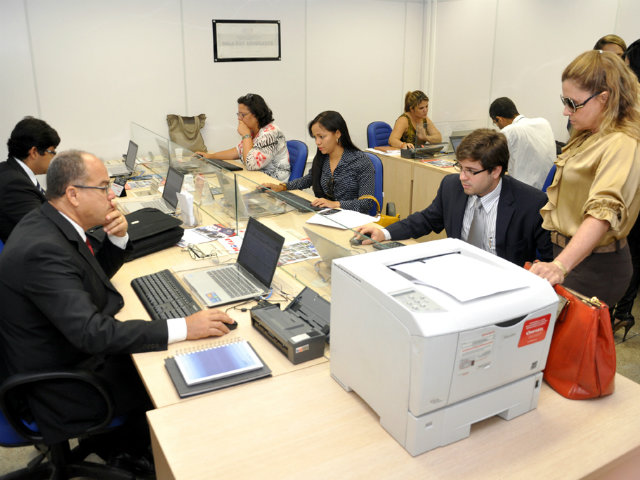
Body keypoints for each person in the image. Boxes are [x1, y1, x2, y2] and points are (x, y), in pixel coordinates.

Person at [0, 150, 235, 472]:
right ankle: (162, 461)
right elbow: (92, 333)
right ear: (73, 194)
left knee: (155, 353)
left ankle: (128, 444)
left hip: (57, 354)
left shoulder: (48, 222)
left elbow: (87, 279)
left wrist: (118, 239)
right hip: (57, 389)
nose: (112, 195)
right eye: (103, 187)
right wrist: (183, 326)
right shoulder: (44, 250)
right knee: (171, 374)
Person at [529, 50, 640, 316]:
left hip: (594, 265)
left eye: (573, 103)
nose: (566, 111)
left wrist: (560, 266)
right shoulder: (591, 133)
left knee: (567, 339)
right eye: (564, 101)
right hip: (570, 255)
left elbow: (602, 213)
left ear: (604, 98)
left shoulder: (621, 142)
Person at [355, 128, 552, 266]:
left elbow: (547, 261)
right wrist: (385, 233)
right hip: (456, 273)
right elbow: (426, 220)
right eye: (461, 167)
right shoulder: (452, 187)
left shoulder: (531, 203)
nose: (462, 177)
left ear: (495, 171)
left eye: (471, 171)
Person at [262, 111, 376, 214]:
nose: (317, 142)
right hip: (326, 215)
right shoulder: (323, 157)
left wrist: (336, 204)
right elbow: (310, 178)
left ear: (337, 133)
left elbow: (367, 202)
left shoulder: (361, 161)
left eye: (321, 137)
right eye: (315, 137)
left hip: (353, 220)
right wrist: (282, 187)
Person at [610, 38, 640, 337]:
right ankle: (623, 312)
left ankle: (609, 313)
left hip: (628, 196)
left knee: (622, 251)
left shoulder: (628, 107)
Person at [195, 93, 290, 181]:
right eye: (238, 114)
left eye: (243, 115)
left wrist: (246, 135)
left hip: (274, 185)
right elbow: (238, 151)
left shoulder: (271, 133)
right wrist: (209, 156)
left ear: (257, 114)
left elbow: (251, 165)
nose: (239, 118)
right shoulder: (253, 130)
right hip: (258, 179)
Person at [0, 116, 60, 242]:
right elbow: (43, 228)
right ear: (34, 152)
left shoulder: (14, 173)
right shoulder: (14, 183)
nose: (54, 158)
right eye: (52, 152)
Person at [489, 97, 556, 189]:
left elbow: (490, 160)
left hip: (525, 190)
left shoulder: (508, 131)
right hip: (549, 187)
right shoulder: (543, 123)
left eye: (495, 123)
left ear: (499, 119)